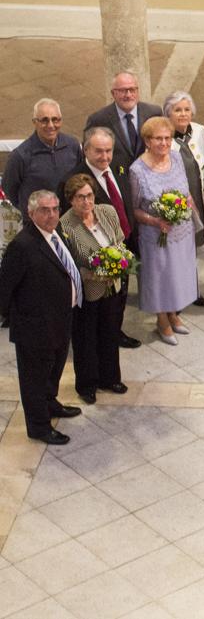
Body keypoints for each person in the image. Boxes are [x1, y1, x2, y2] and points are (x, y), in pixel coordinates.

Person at [0, 191, 83, 444]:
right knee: (34, 379)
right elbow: (5, 288)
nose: (51, 215)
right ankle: (38, 426)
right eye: (45, 210)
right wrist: (17, 319)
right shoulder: (23, 245)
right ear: (31, 212)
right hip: (35, 327)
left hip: (60, 319)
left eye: (55, 209)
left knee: (54, 369)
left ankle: (50, 403)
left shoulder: (57, 235)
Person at [57, 126, 140, 348]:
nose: (105, 156)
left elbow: (125, 201)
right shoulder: (72, 181)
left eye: (108, 151)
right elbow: (69, 227)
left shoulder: (118, 168)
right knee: (93, 312)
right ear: (85, 150)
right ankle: (93, 343)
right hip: (91, 259)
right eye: (98, 151)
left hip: (121, 242)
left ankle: (115, 332)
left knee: (119, 295)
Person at [59, 174, 129, 405]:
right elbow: (70, 263)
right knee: (85, 339)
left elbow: (119, 241)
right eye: (80, 197)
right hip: (87, 290)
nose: (86, 202)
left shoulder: (107, 211)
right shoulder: (66, 225)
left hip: (112, 286)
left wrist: (117, 264)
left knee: (110, 332)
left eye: (89, 196)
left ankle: (110, 378)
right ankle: (87, 385)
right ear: (71, 199)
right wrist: (98, 273)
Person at [130, 116, 200, 345]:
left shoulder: (177, 157)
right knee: (160, 277)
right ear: (147, 141)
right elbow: (134, 209)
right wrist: (155, 221)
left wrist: (190, 209)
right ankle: (162, 320)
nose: (164, 143)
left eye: (168, 138)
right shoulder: (137, 170)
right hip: (155, 235)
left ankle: (173, 314)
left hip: (182, 232)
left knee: (177, 275)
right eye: (158, 139)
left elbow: (186, 191)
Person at [165, 93, 204, 310]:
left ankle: (192, 288)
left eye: (186, 109)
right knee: (177, 250)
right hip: (175, 204)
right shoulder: (164, 137)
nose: (183, 114)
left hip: (197, 198)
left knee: (192, 248)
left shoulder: (200, 131)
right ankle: (177, 294)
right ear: (168, 114)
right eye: (177, 110)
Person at [3, 98, 82, 219]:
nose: (50, 125)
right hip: (37, 225)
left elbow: (79, 179)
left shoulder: (72, 146)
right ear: (34, 122)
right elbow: (10, 189)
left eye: (55, 119)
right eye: (44, 120)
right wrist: (29, 210)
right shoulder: (20, 155)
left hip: (70, 221)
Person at [83, 70, 161, 171]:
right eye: (123, 91)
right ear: (113, 93)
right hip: (118, 178)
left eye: (132, 90)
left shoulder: (154, 113)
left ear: (137, 91)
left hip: (150, 174)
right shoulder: (98, 120)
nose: (128, 95)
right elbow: (89, 154)